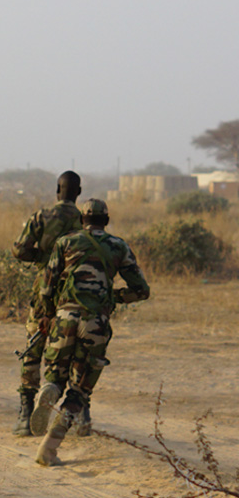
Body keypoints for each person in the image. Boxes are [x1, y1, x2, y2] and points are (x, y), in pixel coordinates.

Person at [32, 199, 149, 466]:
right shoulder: (118, 246)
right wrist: (112, 296)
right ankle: (48, 449)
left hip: (64, 317)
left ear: (82, 220)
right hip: (95, 323)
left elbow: (46, 287)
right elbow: (142, 290)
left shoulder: (65, 243)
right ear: (105, 220)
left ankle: (49, 388)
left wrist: (48, 315)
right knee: (80, 391)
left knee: (56, 375)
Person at [10, 171, 85, 436]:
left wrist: (42, 258)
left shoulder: (41, 217)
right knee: (77, 351)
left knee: (33, 348)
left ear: (57, 190)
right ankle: (79, 413)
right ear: (78, 192)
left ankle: (24, 412)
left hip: (43, 290)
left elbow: (19, 250)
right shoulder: (84, 219)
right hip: (75, 293)